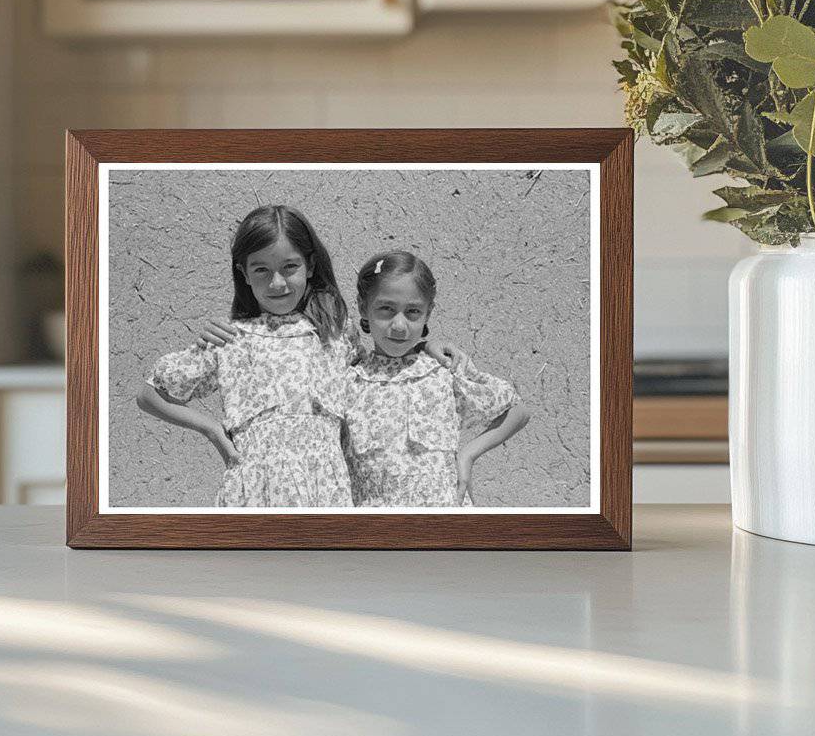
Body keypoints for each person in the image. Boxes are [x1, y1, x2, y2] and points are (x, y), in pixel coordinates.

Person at [137, 204, 356, 508]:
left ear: (311, 265)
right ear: (244, 273)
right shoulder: (231, 340)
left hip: (327, 493)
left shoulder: (335, 332)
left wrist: (426, 348)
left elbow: (376, 375)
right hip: (254, 496)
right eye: (261, 270)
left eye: (289, 267)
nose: (276, 283)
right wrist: (211, 429)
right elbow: (149, 396)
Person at [343, 251, 530, 507]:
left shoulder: (441, 372)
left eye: (413, 311)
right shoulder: (349, 382)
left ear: (428, 312)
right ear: (363, 307)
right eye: (386, 308)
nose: (399, 325)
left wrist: (467, 456)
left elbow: (517, 410)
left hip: (445, 527)